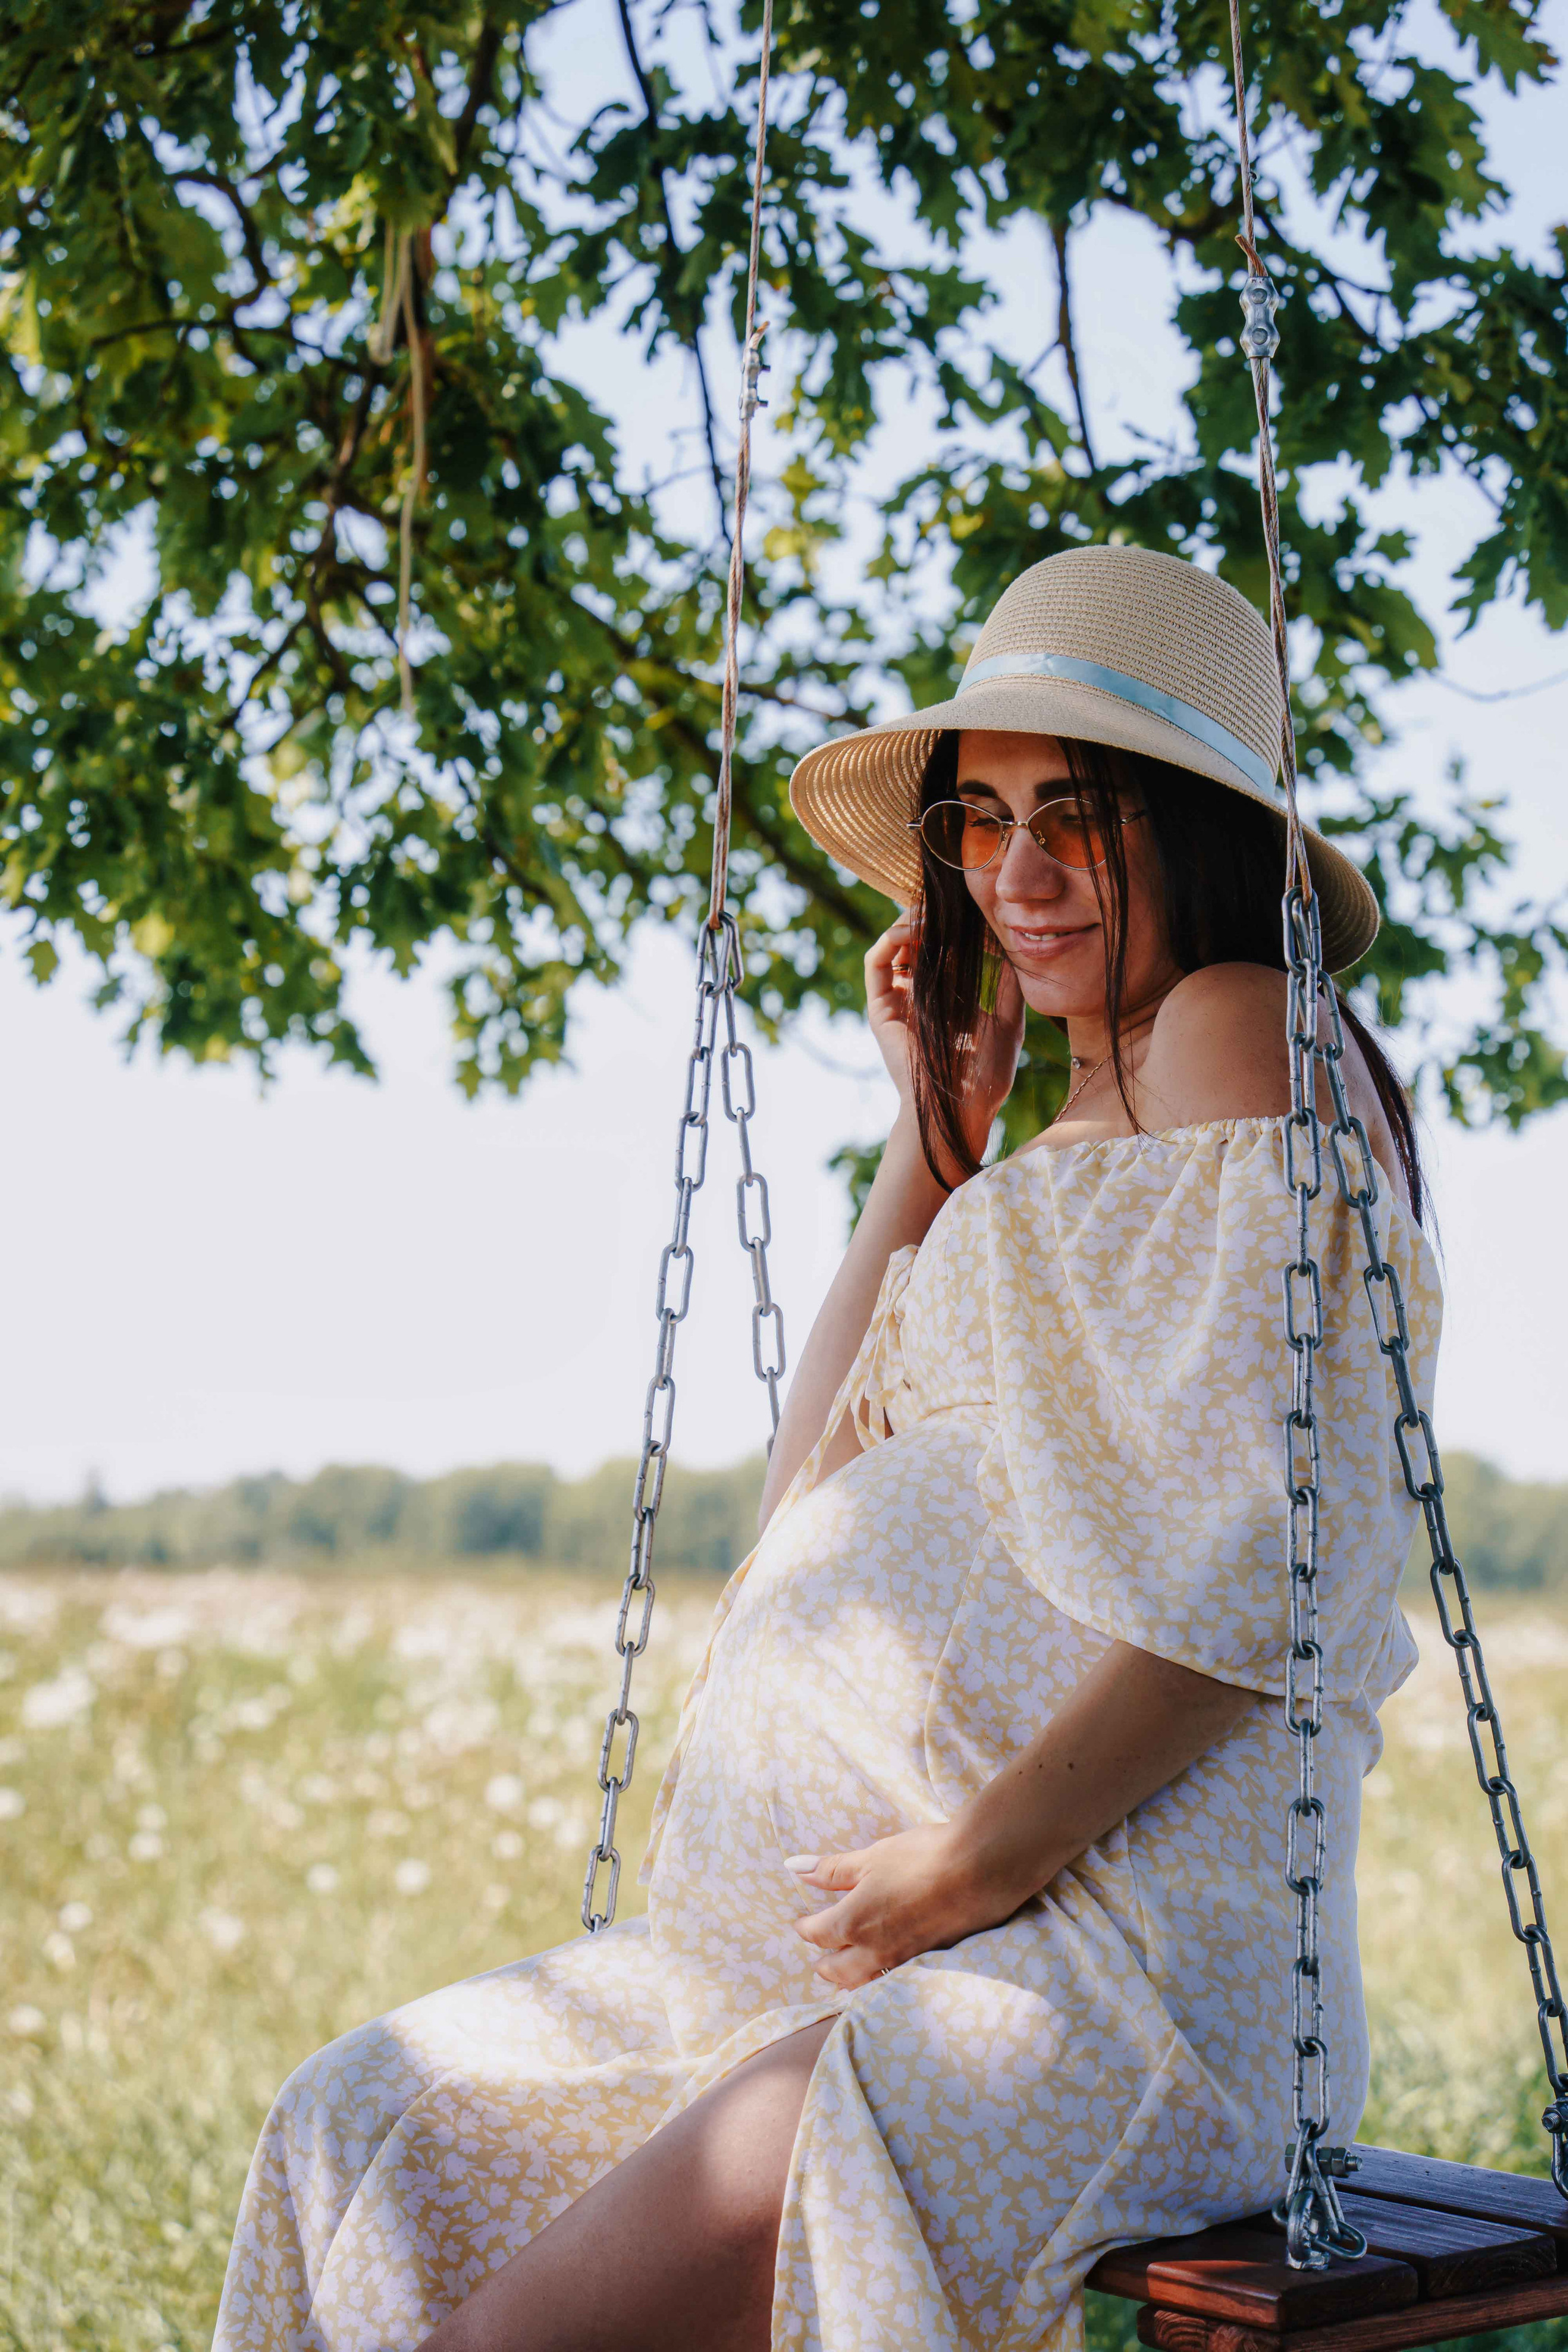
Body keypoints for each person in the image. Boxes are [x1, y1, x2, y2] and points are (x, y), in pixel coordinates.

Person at [213, 545, 1438, 2352]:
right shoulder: (1064, 1122)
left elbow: (1266, 1556)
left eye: (1076, 818)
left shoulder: (1233, 1031)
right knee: (364, 2127)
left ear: (1189, 825)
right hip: (901, 1931)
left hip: (1101, 1947)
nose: (1015, 876)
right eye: (982, 820)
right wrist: (928, 1148)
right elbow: (818, 1496)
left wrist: (973, 1860)